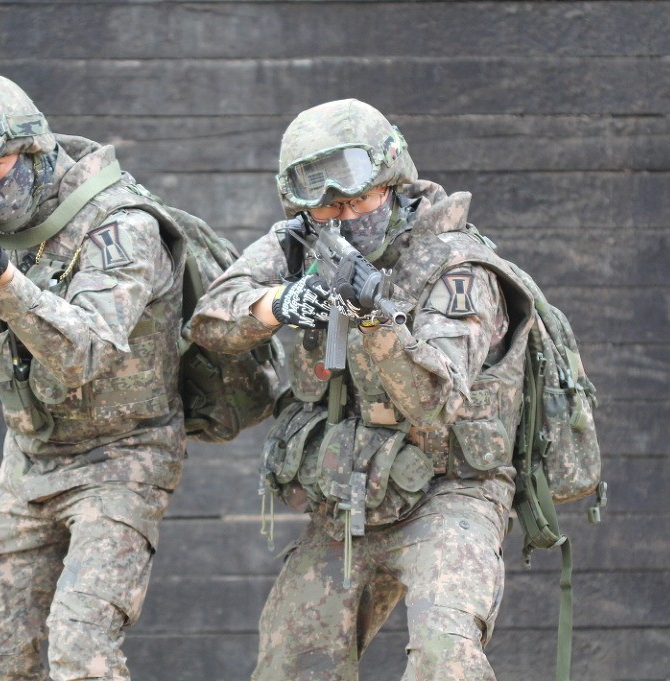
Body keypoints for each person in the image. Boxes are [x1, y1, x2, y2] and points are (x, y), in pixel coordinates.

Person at [190, 99, 534, 681]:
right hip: (351, 499)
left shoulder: (458, 269)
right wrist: (281, 304)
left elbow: (435, 403)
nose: (344, 219)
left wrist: (374, 318)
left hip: (452, 491)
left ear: (394, 187)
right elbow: (209, 321)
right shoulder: (299, 246)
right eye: (326, 208)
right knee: (291, 662)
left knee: (444, 657)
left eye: (357, 201)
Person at [0, 72, 188, 681]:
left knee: (81, 650)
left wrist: (4, 281)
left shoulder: (121, 224)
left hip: (124, 457)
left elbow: (85, 353)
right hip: (29, 460)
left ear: (32, 148)